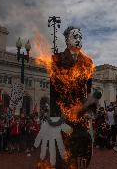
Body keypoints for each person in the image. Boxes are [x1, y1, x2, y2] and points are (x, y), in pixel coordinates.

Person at [35, 26, 100, 168]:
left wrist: (90, 110)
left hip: (80, 113)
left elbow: (88, 91)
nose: (78, 39)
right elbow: (53, 91)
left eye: (80, 37)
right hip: (62, 113)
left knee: (84, 146)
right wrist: (53, 116)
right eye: (74, 36)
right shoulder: (56, 59)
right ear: (66, 40)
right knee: (63, 149)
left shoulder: (88, 62)